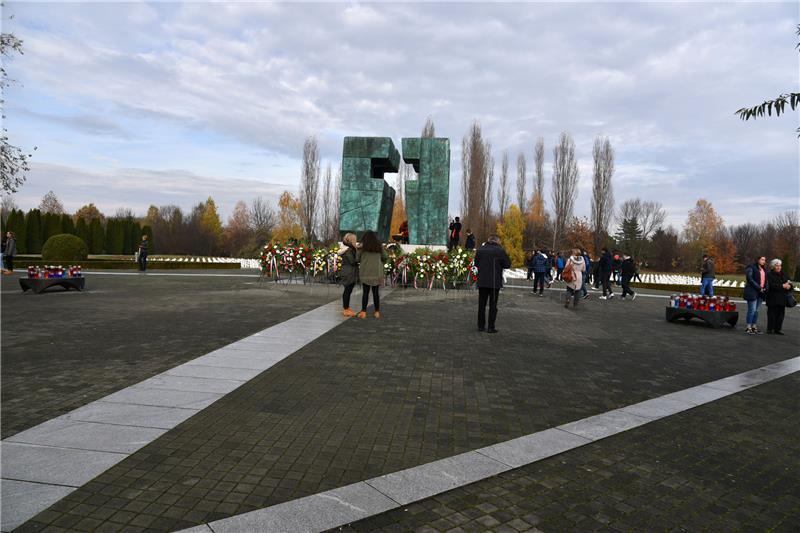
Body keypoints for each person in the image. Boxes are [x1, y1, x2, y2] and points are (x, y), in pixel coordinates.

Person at [474, 234, 511, 333]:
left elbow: (476, 263)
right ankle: (491, 327)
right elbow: (507, 265)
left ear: (488, 240)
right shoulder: (500, 251)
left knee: (481, 305)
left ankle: (481, 326)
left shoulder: (480, 249)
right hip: (495, 282)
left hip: (482, 281)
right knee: (493, 305)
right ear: (497, 241)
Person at [357, 231, 388, 319]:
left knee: (365, 293)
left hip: (365, 273)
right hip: (376, 273)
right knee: (375, 293)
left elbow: (357, 259)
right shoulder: (379, 247)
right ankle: (377, 312)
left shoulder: (361, 248)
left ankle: (363, 312)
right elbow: (385, 257)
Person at [765, 258, 793, 335]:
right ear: (773, 266)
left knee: (780, 315)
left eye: (780, 265)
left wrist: (789, 286)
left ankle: (778, 329)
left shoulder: (784, 274)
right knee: (771, 315)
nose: (779, 267)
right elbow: (771, 285)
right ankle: (770, 329)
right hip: (772, 298)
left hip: (782, 298)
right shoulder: (769, 275)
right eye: (777, 266)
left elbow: (790, 283)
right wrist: (782, 286)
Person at [743, 256, 768, 335]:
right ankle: (748, 327)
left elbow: (766, 280)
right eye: (762, 259)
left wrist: (765, 288)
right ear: (758, 260)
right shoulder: (751, 268)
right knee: (752, 310)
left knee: (756, 311)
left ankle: (754, 326)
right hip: (752, 291)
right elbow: (750, 279)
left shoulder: (764, 269)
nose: (764, 261)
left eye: (764, 260)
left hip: (761, 292)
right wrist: (759, 287)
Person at [338, 233, 359, 317]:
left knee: (348, 290)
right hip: (348, 272)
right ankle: (346, 309)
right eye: (355, 239)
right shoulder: (349, 250)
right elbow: (352, 261)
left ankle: (347, 308)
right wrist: (359, 259)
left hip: (349, 272)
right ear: (352, 240)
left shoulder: (349, 249)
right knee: (347, 290)